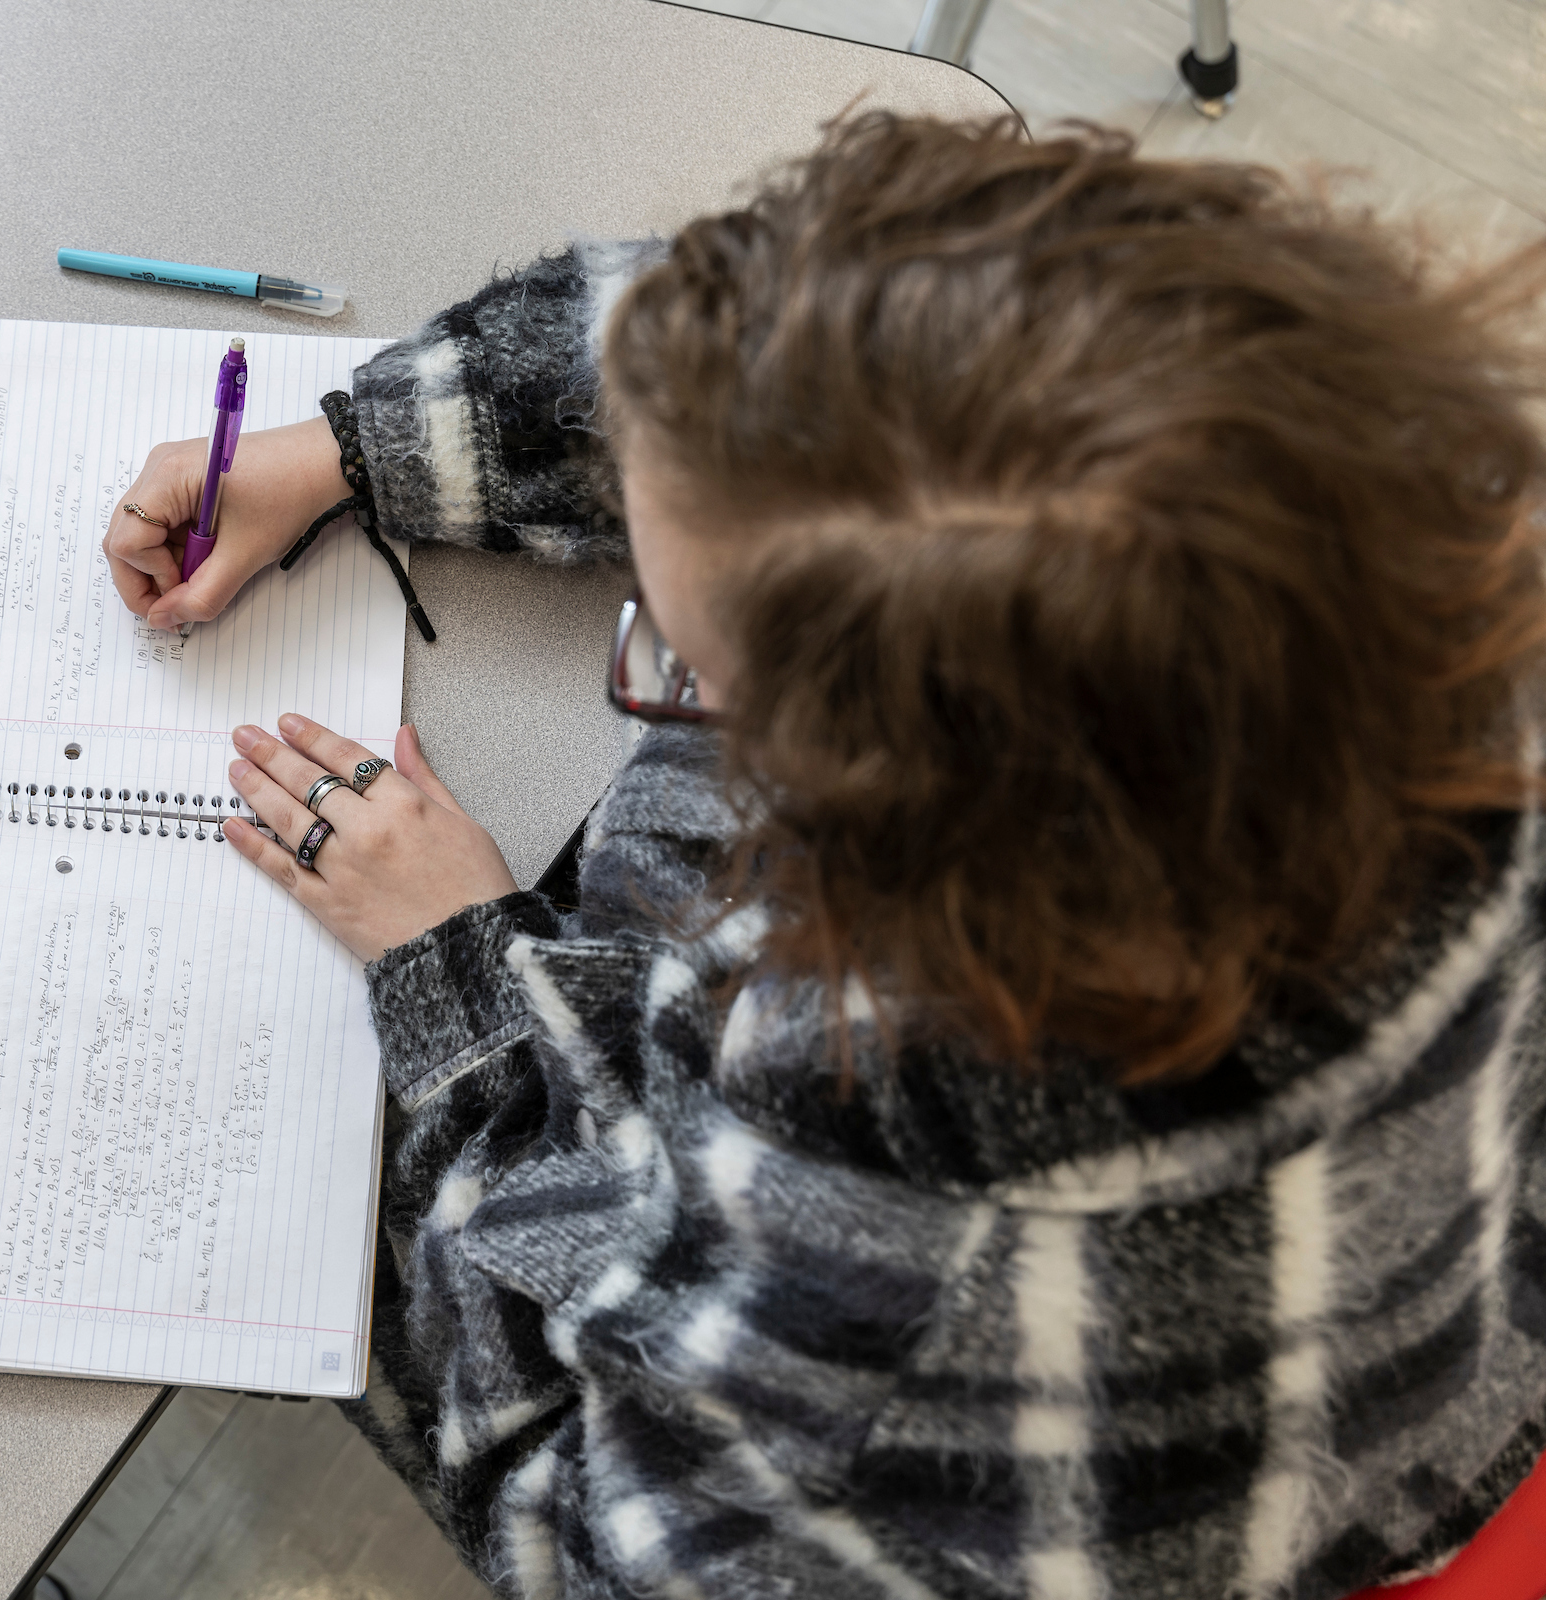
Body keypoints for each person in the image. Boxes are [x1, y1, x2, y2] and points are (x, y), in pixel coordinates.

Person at [101, 113, 1546, 1598]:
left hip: (1121, 1487)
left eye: (680, 652)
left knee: (302, 1192)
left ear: (882, 812)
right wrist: (357, 443)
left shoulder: (897, 1179)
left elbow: (580, 1533)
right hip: (1451, 1320)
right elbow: (808, 362)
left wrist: (471, 979)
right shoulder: (1396, 547)